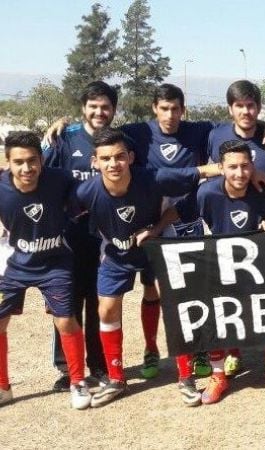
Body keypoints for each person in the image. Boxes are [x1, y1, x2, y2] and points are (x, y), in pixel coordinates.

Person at [75, 128, 224, 408]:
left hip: (159, 242)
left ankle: (185, 376)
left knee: (178, 303)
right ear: (95, 162)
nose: (113, 164)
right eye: (105, 158)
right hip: (117, 252)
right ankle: (116, 379)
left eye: (120, 156)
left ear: (131, 157)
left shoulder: (153, 178)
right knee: (106, 308)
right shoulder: (86, 191)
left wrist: (156, 228)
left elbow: (201, 171)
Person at [0, 132, 92, 410]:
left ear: (41, 160)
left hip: (55, 264)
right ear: (8, 163)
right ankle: (3, 387)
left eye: (32, 161)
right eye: (18, 162)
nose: (26, 168)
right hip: (13, 266)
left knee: (65, 321)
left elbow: (87, 195)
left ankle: (77, 382)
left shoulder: (60, 179)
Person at [192, 140, 265, 404]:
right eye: (232, 167)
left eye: (245, 166)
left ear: (253, 167)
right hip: (223, 265)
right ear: (220, 168)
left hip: (260, 266)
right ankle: (218, 374)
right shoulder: (206, 194)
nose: (239, 173)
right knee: (213, 311)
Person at [42, 80, 113, 391]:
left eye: (105, 106)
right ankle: (68, 368)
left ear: (113, 109)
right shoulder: (64, 138)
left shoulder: (115, 141)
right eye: (93, 106)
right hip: (68, 236)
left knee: (100, 301)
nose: (99, 112)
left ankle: (98, 364)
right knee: (66, 303)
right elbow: (41, 178)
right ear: (83, 108)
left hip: (104, 236)